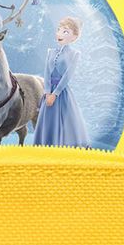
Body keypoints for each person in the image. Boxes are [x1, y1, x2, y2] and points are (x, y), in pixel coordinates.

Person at [32, 16, 91, 148]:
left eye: (65, 31)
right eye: (59, 30)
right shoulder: (51, 52)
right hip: (48, 92)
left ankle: (62, 145)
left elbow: (67, 76)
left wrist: (55, 94)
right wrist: (47, 92)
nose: (59, 34)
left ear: (74, 37)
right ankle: (46, 144)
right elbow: (47, 73)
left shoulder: (74, 54)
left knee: (65, 120)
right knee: (48, 119)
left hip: (61, 93)